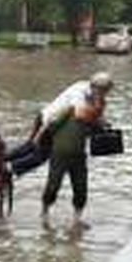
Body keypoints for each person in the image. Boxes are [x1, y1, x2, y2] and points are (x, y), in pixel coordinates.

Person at [7, 72, 114, 176]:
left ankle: (2, 161)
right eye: (104, 91)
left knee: (30, 147)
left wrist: (102, 120)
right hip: (48, 122)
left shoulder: (90, 91)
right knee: (39, 155)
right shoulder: (80, 92)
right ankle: (7, 168)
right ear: (97, 88)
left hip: (51, 120)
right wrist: (97, 117)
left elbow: (92, 114)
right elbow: (79, 114)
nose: (105, 94)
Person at [40, 96, 105, 230]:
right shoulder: (67, 113)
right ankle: (44, 212)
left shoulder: (92, 120)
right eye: (91, 105)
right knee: (53, 185)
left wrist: (101, 124)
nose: (92, 109)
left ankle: (77, 219)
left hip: (78, 157)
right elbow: (50, 127)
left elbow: (98, 134)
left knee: (80, 188)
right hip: (59, 155)